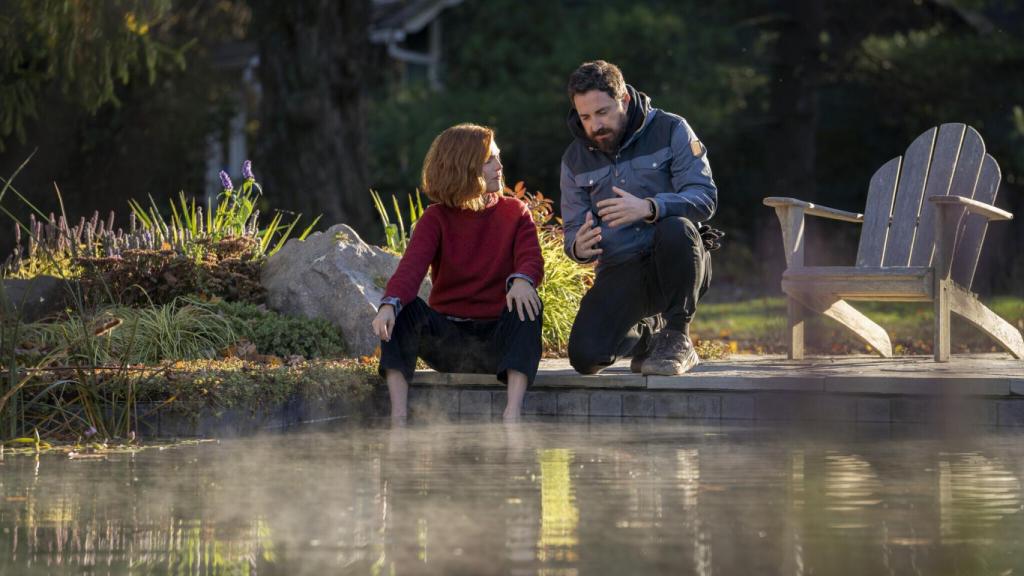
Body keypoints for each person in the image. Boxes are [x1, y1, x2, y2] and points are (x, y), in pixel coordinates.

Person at [372, 123, 544, 423]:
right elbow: (410, 269)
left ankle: (512, 413)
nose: (500, 166)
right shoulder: (435, 218)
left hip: (497, 343)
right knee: (402, 309)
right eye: (490, 159)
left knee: (528, 305)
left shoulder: (515, 212)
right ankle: (398, 416)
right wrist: (389, 304)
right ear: (465, 165)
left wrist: (521, 280)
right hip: (447, 341)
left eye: (498, 157)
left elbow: (531, 260)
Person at [559, 60, 719, 376]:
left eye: (602, 112)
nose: (595, 126)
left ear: (625, 100)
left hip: (677, 261)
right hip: (621, 267)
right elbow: (572, 230)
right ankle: (648, 335)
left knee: (675, 228)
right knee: (585, 357)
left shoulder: (671, 129)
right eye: (585, 117)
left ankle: (677, 336)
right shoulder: (573, 159)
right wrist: (578, 246)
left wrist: (650, 208)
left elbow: (705, 197)